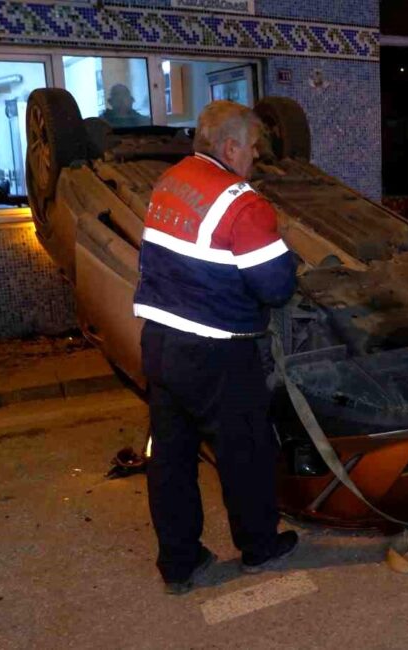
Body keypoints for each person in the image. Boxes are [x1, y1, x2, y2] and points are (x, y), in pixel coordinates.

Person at [132, 101, 298, 595]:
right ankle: (258, 547)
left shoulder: (172, 178)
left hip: (159, 343)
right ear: (229, 147)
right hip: (216, 352)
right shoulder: (243, 204)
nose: (256, 158)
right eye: (252, 148)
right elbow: (276, 287)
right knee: (245, 452)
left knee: (171, 456)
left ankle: (179, 563)